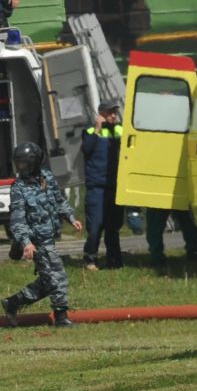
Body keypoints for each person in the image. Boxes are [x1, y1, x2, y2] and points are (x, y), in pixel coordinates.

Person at [2, 141, 83, 327]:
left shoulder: (47, 177)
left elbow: (58, 201)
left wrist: (70, 217)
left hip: (49, 238)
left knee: (48, 281)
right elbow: (17, 220)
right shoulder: (18, 188)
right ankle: (61, 318)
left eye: (25, 164)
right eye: (18, 164)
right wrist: (26, 243)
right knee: (58, 277)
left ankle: (13, 302)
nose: (21, 168)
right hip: (37, 241)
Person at [80, 101, 124, 269]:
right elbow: (86, 149)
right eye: (110, 112)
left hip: (115, 187)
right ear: (101, 114)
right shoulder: (90, 132)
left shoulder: (120, 130)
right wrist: (97, 129)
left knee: (113, 227)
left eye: (115, 112)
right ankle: (90, 259)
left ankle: (114, 261)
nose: (114, 115)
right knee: (96, 225)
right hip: (97, 188)